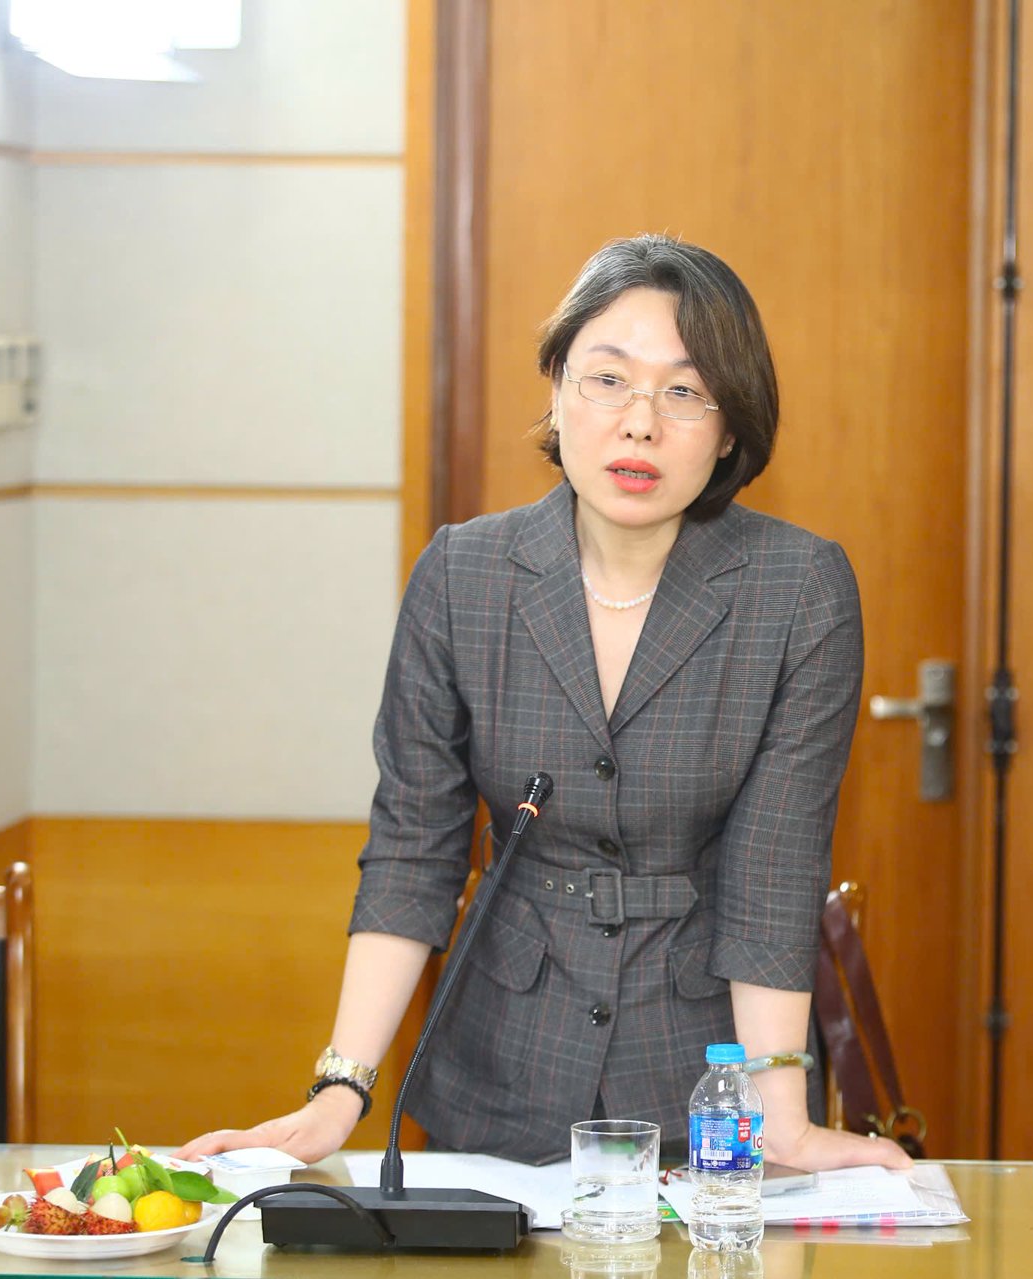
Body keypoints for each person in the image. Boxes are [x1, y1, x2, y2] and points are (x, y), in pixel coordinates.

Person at [181, 235, 909, 1174]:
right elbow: (415, 843)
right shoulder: (463, 575)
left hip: (698, 1081)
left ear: (730, 430)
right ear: (558, 390)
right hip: (500, 1064)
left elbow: (775, 867)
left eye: (686, 392)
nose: (640, 423)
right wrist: (341, 1086)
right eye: (607, 379)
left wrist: (776, 1116)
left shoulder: (798, 588)